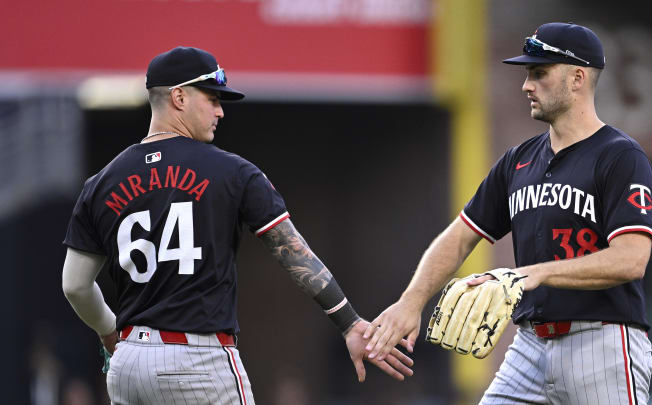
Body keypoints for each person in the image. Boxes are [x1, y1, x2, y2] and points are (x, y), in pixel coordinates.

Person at [61, 46, 412, 405]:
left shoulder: (100, 183)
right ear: (179, 97)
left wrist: (109, 331)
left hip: (129, 363)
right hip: (197, 360)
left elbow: (74, 285)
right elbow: (294, 254)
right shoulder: (233, 172)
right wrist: (350, 323)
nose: (220, 110)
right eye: (212, 98)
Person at [363, 23, 652, 404]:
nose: (526, 85)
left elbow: (632, 259)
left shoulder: (620, 157)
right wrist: (411, 302)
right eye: (526, 74)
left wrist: (532, 273)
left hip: (601, 343)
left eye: (539, 73)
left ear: (578, 78)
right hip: (530, 346)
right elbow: (459, 237)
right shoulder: (518, 161)